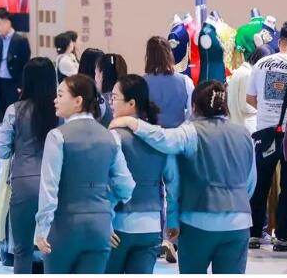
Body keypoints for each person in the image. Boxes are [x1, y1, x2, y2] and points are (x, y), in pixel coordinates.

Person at [110, 79, 256, 274]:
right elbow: (250, 181)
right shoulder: (244, 134)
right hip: (239, 221)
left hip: (197, 219)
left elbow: (163, 139)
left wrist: (132, 122)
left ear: (194, 106)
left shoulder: (191, 132)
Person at [34, 74, 135, 274]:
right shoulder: (111, 137)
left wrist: (41, 229)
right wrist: (106, 208)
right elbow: (127, 186)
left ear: (78, 101)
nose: (55, 100)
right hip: (100, 227)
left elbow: (49, 188)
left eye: (60, 95)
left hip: (64, 226)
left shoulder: (57, 136)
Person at [105, 74, 179, 275]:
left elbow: (106, 182)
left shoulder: (114, 136)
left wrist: (103, 220)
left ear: (131, 103)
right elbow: (173, 182)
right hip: (152, 226)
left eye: (114, 97)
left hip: (118, 223)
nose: (110, 102)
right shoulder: (160, 139)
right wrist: (172, 219)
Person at [0, 57, 60, 273]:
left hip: (23, 182)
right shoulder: (60, 111)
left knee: (22, 250)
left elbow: (3, 150)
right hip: (56, 184)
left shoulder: (15, 110)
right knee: (53, 249)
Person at [245, 21, 287, 252]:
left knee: (260, 184)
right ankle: (282, 236)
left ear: (279, 42)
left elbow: (250, 99)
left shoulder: (260, 64)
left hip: (264, 133)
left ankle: (254, 234)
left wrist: (266, 111)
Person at [0, 8, 31, 127]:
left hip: (13, 83)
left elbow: (25, 65)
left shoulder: (20, 40)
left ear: (7, 22)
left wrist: (21, 85)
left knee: (14, 114)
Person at [143, 36, 194, 128]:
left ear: (148, 56)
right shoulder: (185, 81)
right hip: (178, 134)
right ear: (169, 54)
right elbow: (192, 114)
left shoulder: (142, 82)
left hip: (150, 134)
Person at [228, 45, 269, 134]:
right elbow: (245, 106)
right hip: (245, 126)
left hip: (237, 123)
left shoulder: (242, 71)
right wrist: (264, 109)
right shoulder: (248, 74)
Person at [95, 52, 127, 127]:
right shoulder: (130, 96)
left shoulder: (98, 101)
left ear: (101, 74)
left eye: (96, 73)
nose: (95, 77)